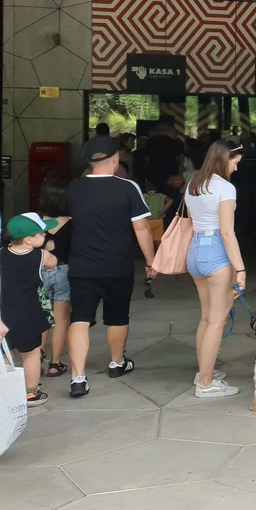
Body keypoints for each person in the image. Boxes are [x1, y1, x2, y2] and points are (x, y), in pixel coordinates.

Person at [66, 136, 157, 398]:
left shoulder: (73, 188)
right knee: (117, 316)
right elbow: (141, 228)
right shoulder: (128, 187)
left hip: (81, 265)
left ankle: (78, 378)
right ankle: (117, 362)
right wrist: (151, 261)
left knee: (80, 318)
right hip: (117, 265)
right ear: (116, 159)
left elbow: (62, 222)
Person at [183, 140, 248, 398]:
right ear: (225, 158)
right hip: (217, 252)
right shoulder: (226, 189)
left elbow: (191, 221)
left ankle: (203, 372)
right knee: (216, 321)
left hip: (196, 250)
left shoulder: (193, 184)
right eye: (235, 162)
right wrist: (240, 269)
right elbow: (227, 232)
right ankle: (206, 383)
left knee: (206, 317)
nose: (236, 167)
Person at [2, 213, 59, 406]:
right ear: (29, 239)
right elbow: (54, 263)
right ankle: (31, 393)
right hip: (29, 315)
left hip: (4, 315)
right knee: (31, 354)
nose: (45, 236)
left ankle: (6, 392)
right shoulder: (40, 255)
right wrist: (47, 248)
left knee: (4, 355)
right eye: (42, 234)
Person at [36, 179, 72, 379]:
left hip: (40, 271)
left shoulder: (37, 222)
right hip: (64, 272)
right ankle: (55, 364)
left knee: (42, 317)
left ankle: (37, 357)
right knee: (60, 320)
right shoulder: (73, 223)